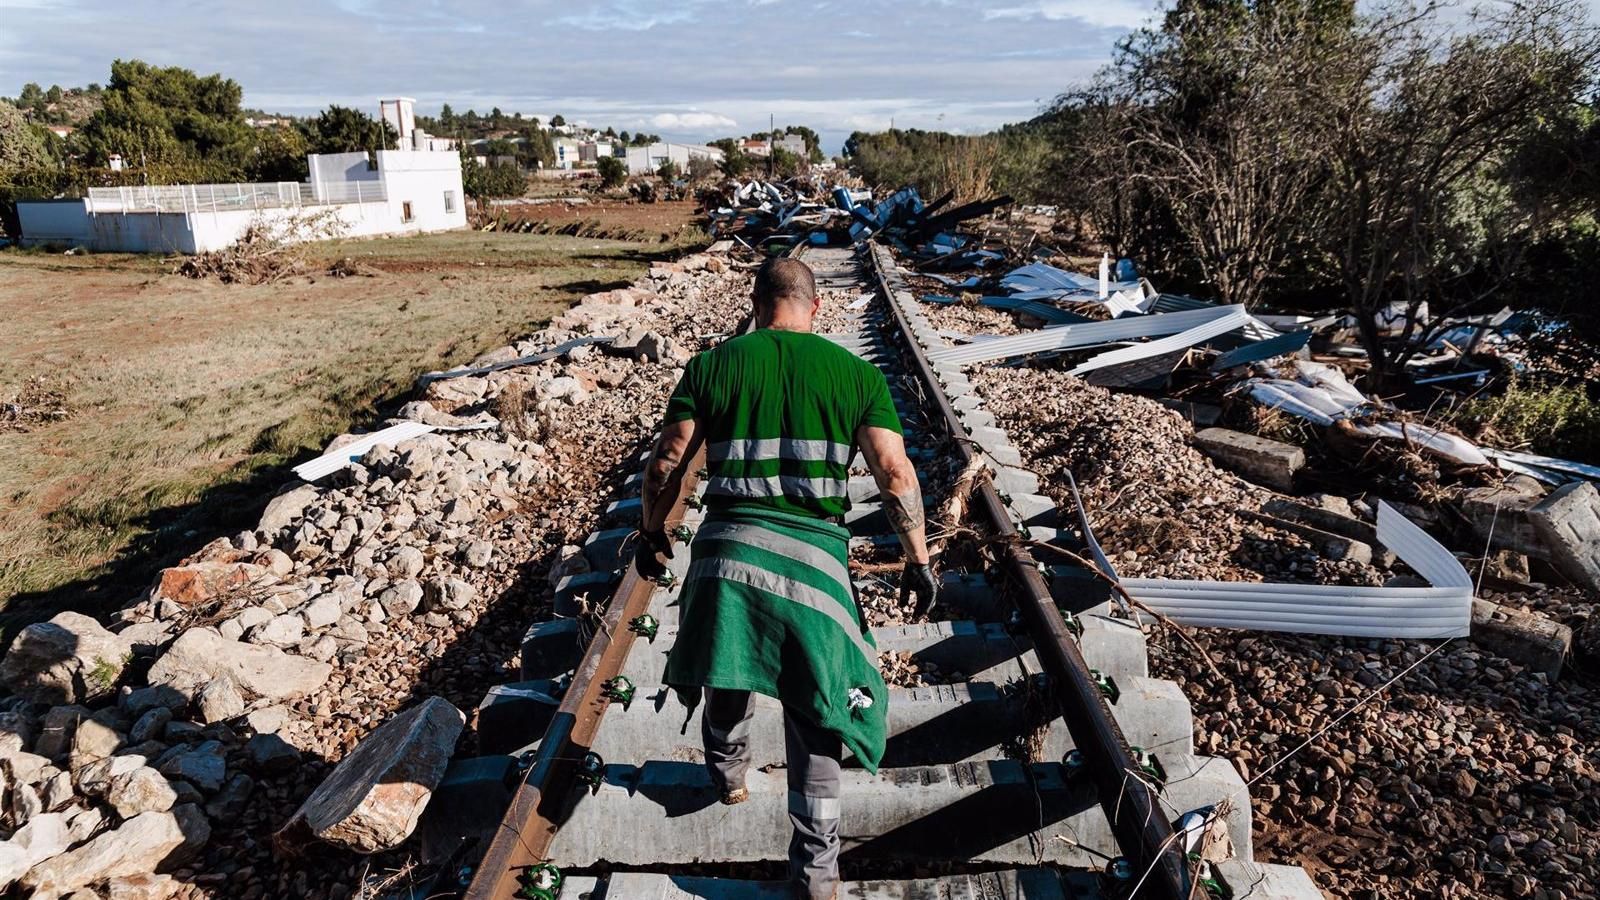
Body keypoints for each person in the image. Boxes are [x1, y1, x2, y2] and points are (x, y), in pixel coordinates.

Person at [636, 256, 937, 900]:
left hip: (725, 556)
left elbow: (666, 464)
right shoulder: (856, 376)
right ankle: (817, 872)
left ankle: (728, 771)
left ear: (755, 303)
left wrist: (652, 532)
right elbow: (895, 472)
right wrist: (918, 557)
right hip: (814, 569)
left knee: (729, 668)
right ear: (816, 308)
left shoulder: (713, 366)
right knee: (818, 714)